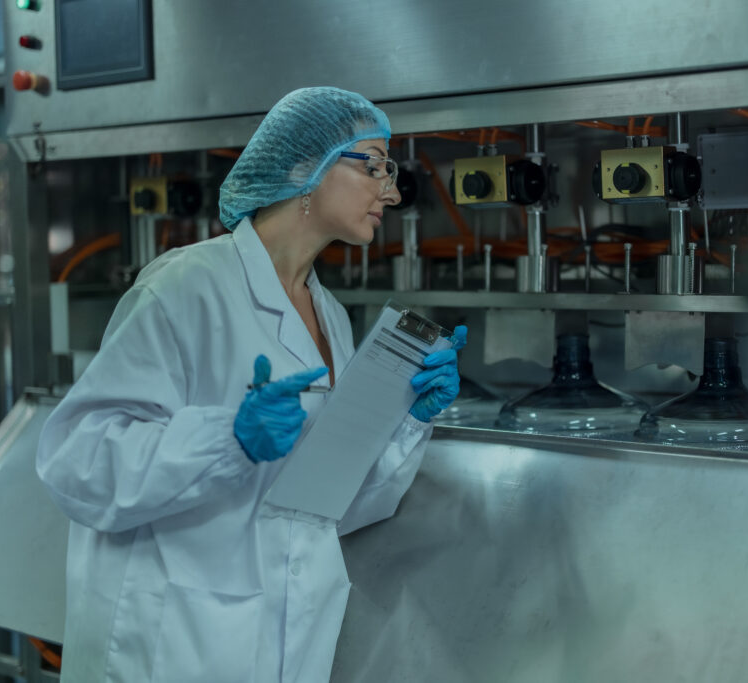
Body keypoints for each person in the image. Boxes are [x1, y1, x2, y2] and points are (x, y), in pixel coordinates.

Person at [36, 86, 466, 682]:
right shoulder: (185, 286)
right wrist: (226, 439)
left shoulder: (332, 317)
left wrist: (408, 419)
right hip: (171, 641)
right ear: (304, 169)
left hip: (285, 642)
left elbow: (327, 507)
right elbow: (78, 461)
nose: (390, 191)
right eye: (373, 165)